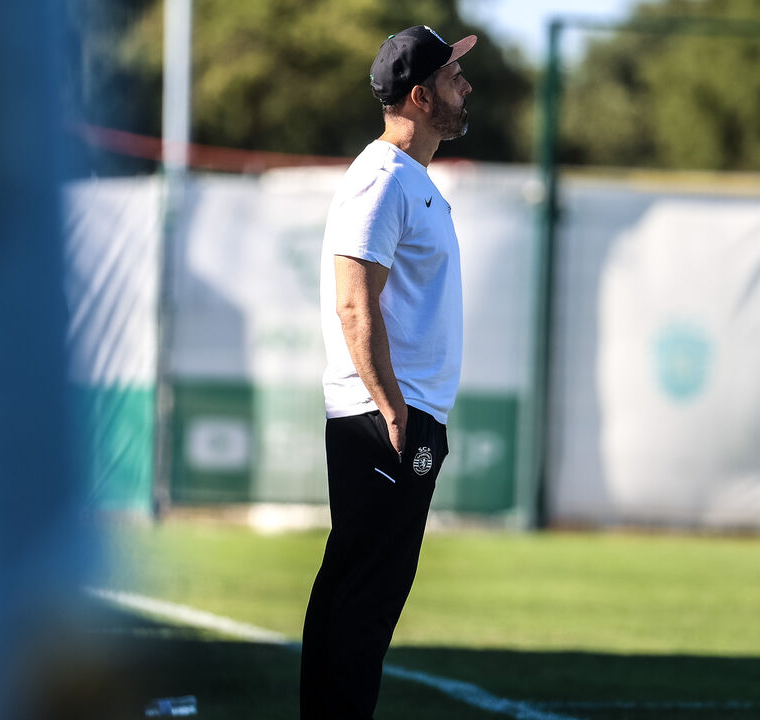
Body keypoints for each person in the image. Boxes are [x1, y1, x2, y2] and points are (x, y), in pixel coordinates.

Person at [299, 25, 475, 720]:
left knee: (357, 595)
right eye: (455, 79)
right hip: (385, 420)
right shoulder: (380, 180)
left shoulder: (407, 179)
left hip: (397, 415)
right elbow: (353, 300)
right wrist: (395, 411)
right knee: (364, 604)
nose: (467, 88)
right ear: (420, 96)